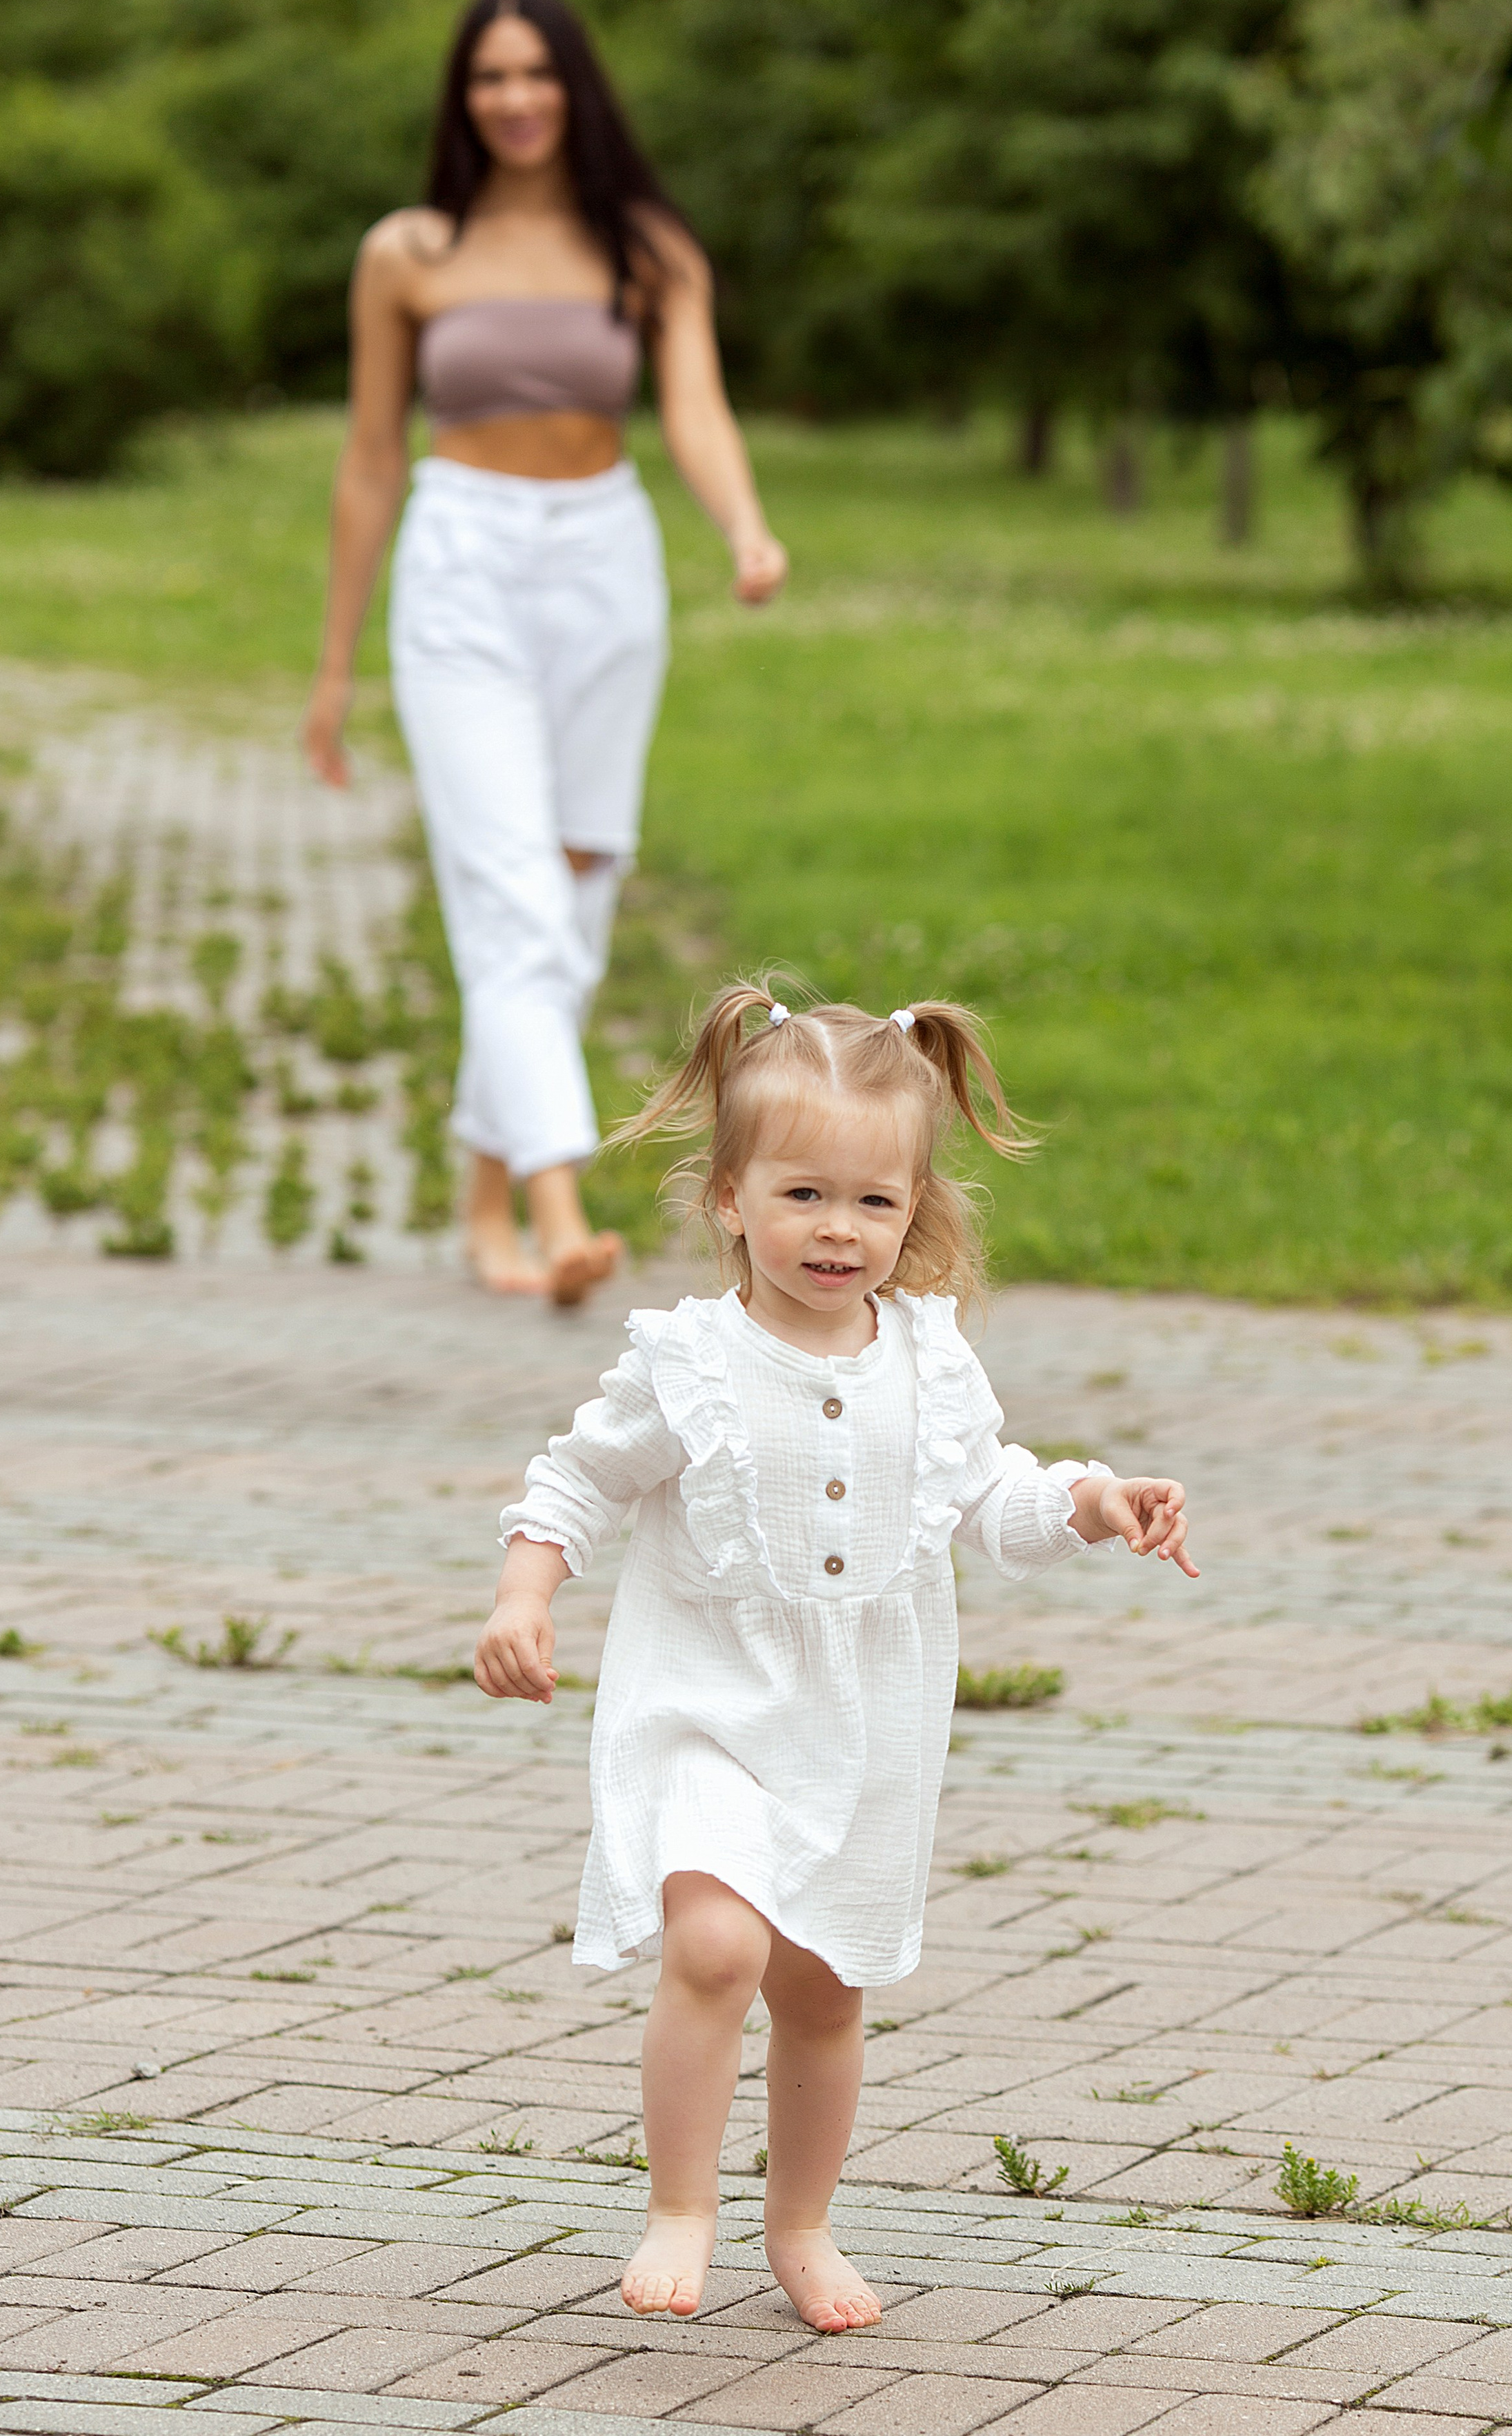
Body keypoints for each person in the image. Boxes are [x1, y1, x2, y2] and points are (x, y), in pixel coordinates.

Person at [474, 983, 1195, 2330]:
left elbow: (990, 1494)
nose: (837, 1230)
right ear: (730, 1196)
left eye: (874, 1202)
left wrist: (1093, 1503)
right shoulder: (686, 1361)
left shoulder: (928, 1360)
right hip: (708, 1706)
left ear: (914, 1208)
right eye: (803, 1194)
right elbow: (574, 1480)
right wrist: (526, 1595)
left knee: (819, 1986)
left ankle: (799, 2221)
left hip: (862, 1725)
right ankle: (677, 2203)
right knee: (712, 1945)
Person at [302, 0, 787, 1304]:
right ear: (462, 98)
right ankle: (559, 1195)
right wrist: (337, 668)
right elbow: (367, 461)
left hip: (603, 566)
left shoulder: (646, 246)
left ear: (576, 87)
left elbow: (694, 407)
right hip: (460, 562)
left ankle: (484, 1205)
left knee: (572, 889)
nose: (514, 100)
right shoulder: (407, 250)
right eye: (488, 79)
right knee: (509, 889)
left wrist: (743, 525)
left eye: (537, 75)